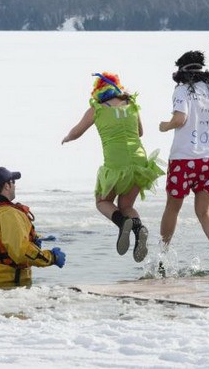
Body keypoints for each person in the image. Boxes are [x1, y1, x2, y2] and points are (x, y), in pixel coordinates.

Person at [62, 72, 164, 262]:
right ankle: (138, 227)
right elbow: (140, 132)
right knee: (126, 205)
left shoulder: (97, 109)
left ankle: (122, 222)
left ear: (98, 91)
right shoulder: (131, 104)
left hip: (116, 162)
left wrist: (67, 137)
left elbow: (78, 131)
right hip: (139, 161)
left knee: (102, 201)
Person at [159, 51, 209, 275]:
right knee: (204, 211)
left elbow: (181, 119)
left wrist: (166, 126)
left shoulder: (181, 90)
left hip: (185, 156)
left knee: (173, 207)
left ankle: (162, 253)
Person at [0, 167, 66, 288]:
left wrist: (34, 239)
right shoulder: (8, 214)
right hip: (10, 285)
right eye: (13, 182)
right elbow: (21, 252)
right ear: (7, 186)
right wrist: (51, 257)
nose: (14, 186)